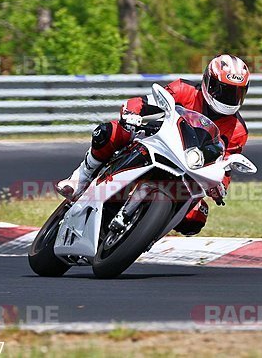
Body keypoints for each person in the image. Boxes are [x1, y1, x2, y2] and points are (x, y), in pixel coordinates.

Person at [56, 54, 250, 236]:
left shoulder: (238, 129)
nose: (229, 98)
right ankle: (82, 176)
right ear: (208, 81)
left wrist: (220, 187)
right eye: (224, 90)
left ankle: (145, 236)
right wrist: (132, 113)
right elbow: (145, 103)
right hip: (160, 139)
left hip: (191, 168)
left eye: (236, 93)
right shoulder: (185, 89)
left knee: (195, 219)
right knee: (109, 132)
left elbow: (226, 165)